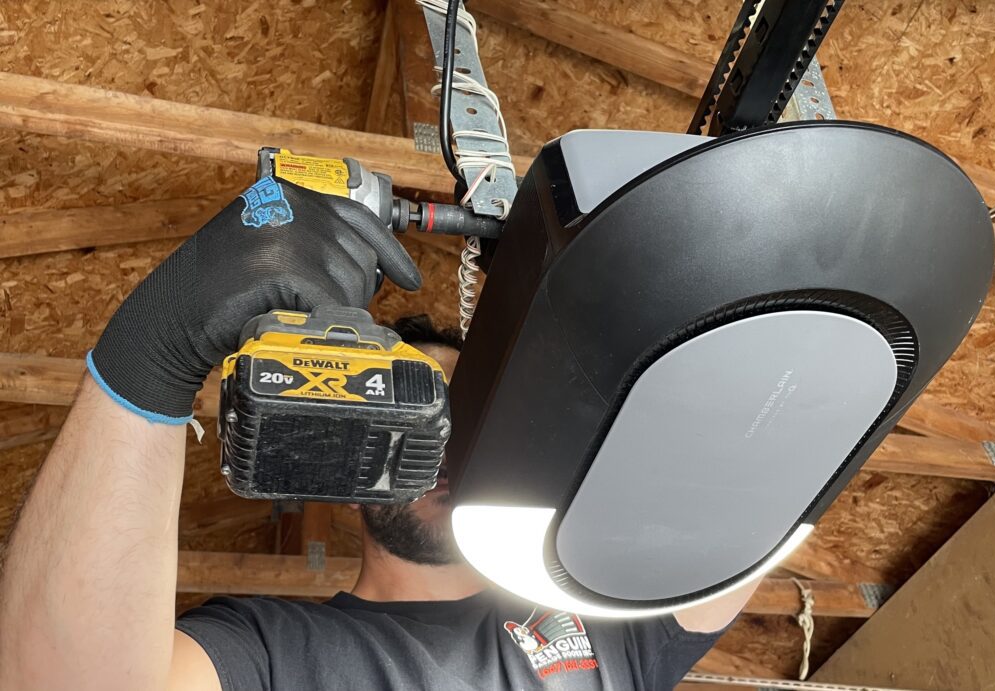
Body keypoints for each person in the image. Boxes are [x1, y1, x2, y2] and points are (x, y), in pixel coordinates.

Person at [0, 178, 758, 691]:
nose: (444, 439)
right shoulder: (269, 649)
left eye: (467, 414)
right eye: (411, 407)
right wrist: (151, 353)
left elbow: (760, 481)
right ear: (343, 457)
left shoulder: (607, 622)